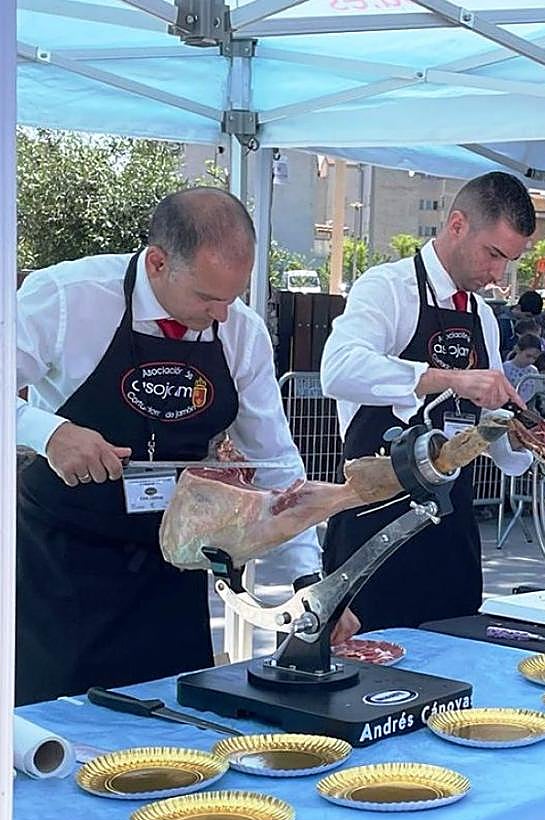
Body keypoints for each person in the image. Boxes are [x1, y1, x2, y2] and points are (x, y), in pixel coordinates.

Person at [13, 187, 357, 705]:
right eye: (206, 297)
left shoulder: (241, 331)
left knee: (175, 722)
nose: (221, 313)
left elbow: (275, 463)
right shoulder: (67, 297)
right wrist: (49, 432)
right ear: (157, 263)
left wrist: (308, 580)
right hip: (61, 563)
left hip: (173, 567)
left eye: (232, 297)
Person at [320, 171, 535, 632]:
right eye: (494, 254)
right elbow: (337, 370)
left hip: (451, 531)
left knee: (456, 677)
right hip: (374, 525)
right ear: (457, 225)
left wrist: (522, 438)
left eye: (510, 261)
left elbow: (491, 432)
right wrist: (449, 379)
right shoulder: (387, 288)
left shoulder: (483, 317)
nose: (498, 275)